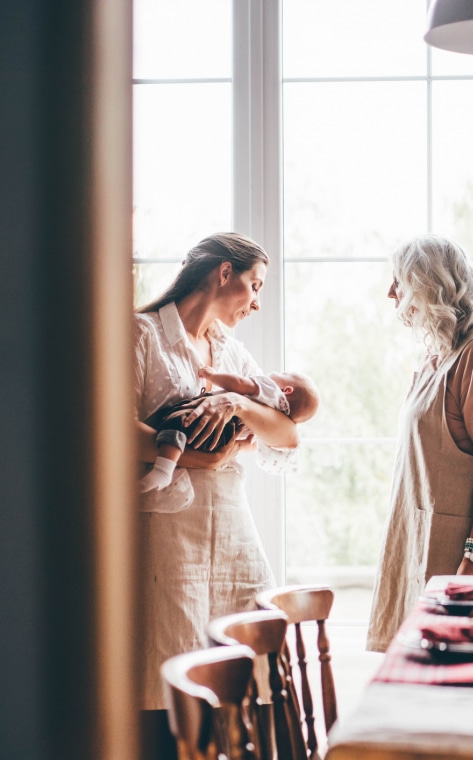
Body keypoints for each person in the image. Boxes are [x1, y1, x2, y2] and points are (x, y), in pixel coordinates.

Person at [133, 232, 299, 758]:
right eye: (254, 285)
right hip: (166, 534)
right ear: (223, 273)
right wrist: (197, 457)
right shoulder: (141, 335)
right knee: (169, 657)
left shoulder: (229, 350)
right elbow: (107, 426)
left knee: (257, 648)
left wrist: (235, 402)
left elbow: (287, 435)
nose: (256, 302)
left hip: (230, 528)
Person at [366, 234, 473, 652]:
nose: (391, 293)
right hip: (427, 543)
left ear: (429, 285)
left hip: (469, 555)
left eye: (399, 281)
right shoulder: (436, 357)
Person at [138, 367, 320, 494]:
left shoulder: (270, 389)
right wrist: (236, 446)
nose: (277, 372)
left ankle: (163, 470)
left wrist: (212, 376)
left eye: (284, 373)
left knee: (177, 424)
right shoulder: (269, 413)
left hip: (212, 423)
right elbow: (251, 444)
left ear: (286, 390)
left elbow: (240, 383)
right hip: (221, 438)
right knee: (174, 426)